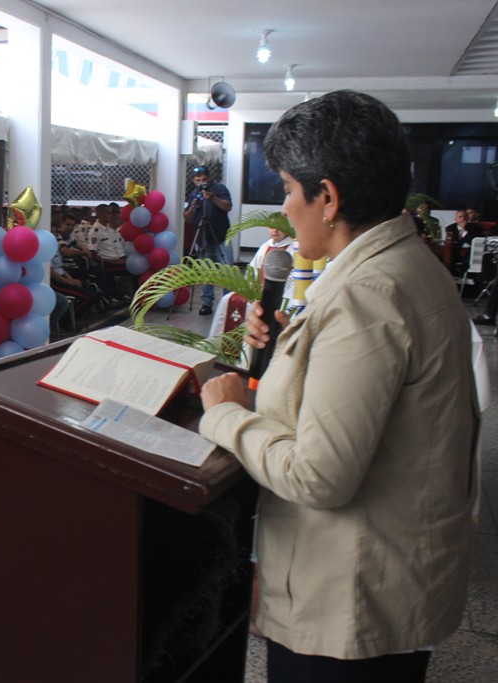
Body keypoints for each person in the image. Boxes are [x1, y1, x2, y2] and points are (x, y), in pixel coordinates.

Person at [199, 91, 478, 682]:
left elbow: (319, 475)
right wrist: (283, 349)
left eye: (287, 190)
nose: (284, 206)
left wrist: (225, 414)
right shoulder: (406, 264)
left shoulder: (364, 296)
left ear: (328, 197)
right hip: (385, 578)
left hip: (350, 602)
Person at [183, 165, 233, 314]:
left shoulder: (219, 189)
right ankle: (206, 303)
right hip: (204, 239)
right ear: (194, 180)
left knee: (227, 270)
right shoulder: (194, 193)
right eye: (198, 180)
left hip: (222, 236)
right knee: (206, 273)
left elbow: (228, 206)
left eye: (204, 179)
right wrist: (192, 207)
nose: (201, 182)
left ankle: (228, 302)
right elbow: (187, 217)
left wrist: (212, 197)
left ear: (209, 178)